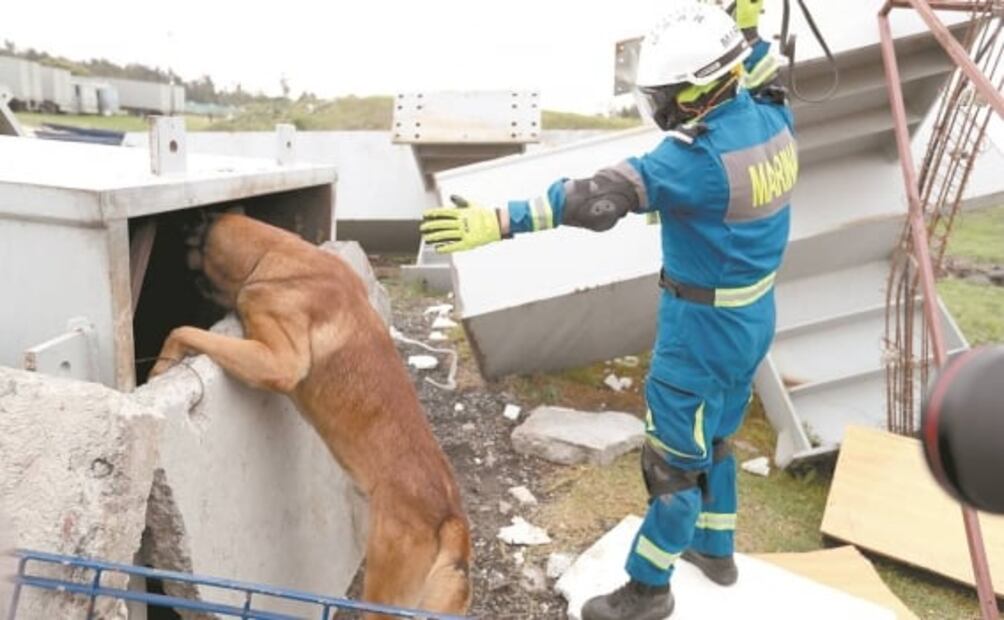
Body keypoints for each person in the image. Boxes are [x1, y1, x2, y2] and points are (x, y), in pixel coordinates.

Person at [420, 1, 794, 618]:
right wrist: (745, 23)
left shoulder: (694, 159)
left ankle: (649, 588)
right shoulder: (774, 119)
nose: (661, 106)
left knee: (672, 465)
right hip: (753, 319)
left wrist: (497, 221)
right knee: (720, 436)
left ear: (697, 89)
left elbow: (596, 198)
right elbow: (757, 64)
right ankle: (716, 550)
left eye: (666, 93)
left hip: (697, 331)